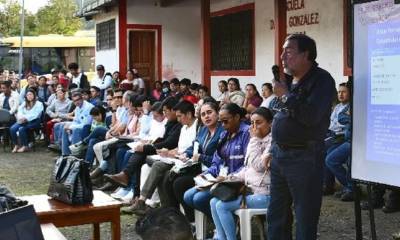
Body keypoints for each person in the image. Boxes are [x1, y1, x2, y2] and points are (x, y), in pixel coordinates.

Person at [266, 34, 336, 240]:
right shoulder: (286, 79)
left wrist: (285, 95)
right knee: (276, 214)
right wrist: (272, 149)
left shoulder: (322, 80)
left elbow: (311, 116)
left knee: (305, 216)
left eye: (288, 52)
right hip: (280, 154)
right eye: (282, 52)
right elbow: (279, 117)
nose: (282, 57)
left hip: (304, 156)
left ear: (306, 54)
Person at [124, 100, 198, 215]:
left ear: (188, 114)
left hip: (187, 161)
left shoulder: (197, 127)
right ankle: (160, 207)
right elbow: (180, 147)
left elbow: (191, 149)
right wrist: (168, 152)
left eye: (180, 116)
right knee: (154, 168)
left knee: (159, 168)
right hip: (177, 158)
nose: (178, 120)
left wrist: (172, 153)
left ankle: (144, 202)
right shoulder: (184, 127)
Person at [211, 107, 273, 240]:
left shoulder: (273, 142)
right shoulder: (256, 140)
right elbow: (248, 167)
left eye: (259, 122)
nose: (254, 126)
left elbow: (260, 165)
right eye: (252, 123)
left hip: (265, 194)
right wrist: (229, 178)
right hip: (250, 190)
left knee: (222, 206)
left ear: (270, 123)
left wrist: (254, 139)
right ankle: (221, 237)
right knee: (213, 201)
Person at [103, 96, 182, 200]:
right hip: (159, 147)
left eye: (165, 111)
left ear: (173, 110)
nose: (165, 114)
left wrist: (147, 147)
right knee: (131, 152)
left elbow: (170, 143)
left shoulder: (178, 124)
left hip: (170, 153)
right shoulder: (170, 122)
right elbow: (163, 139)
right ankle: (129, 185)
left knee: (139, 153)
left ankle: (130, 185)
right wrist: (147, 145)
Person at [184, 103, 250, 218]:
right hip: (220, 179)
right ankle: (220, 222)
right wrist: (205, 175)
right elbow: (217, 162)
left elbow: (248, 165)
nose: (223, 125)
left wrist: (229, 178)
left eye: (225, 121)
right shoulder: (225, 134)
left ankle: (230, 221)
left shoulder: (246, 133)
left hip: (237, 182)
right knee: (188, 196)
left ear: (237, 117)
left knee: (199, 199)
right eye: (221, 122)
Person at [170, 101, 224, 222]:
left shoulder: (222, 132)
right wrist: (186, 153)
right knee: (173, 178)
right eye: (203, 114)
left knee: (180, 183)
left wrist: (200, 157)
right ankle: (188, 219)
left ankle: (206, 220)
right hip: (202, 169)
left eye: (209, 112)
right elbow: (195, 145)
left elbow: (219, 160)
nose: (206, 116)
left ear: (217, 113)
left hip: (216, 172)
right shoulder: (203, 130)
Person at [323, 82, 350, 196]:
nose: (340, 94)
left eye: (343, 92)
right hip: (331, 135)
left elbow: (343, 122)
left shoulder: (351, 106)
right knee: (321, 151)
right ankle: (328, 185)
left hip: (341, 138)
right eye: (339, 92)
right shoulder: (338, 106)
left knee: (330, 157)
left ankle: (350, 186)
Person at [59, 91, 94, 156]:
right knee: (65, 127)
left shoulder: (89, 107)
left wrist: (71, 127)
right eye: (74, 101)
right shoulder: (77, 107)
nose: (76, 102)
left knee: (75, 130)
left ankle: (74, 155)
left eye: (78, 100)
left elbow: (86, 124)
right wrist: (69, 126)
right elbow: (76, 120)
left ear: (82, 98)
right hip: (80, 126)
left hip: (87, 129)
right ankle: (65, 154)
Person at [10, 88, 44, 153]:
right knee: (12, 128)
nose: (29, 96)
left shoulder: (39, 104)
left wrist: (26, 118)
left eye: (31, 94)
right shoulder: (24, 103)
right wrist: (21, 118)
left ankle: (25, 146)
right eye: (28, 95)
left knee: (21, 129)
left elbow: (35, 115)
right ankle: (16, 145)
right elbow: (20, 111)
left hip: (34, 121)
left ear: (34, 95)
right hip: (23, 120)